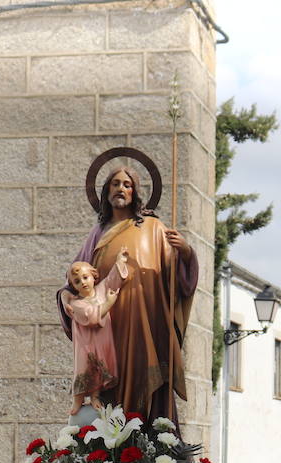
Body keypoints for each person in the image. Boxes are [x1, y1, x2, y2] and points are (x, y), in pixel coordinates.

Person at [62, 166, 199, 423]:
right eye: (115, 184)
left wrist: (186, 253)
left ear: (135, 191)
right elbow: (74, 277)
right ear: (106, 191)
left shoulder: (153, 227)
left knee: (144, 376)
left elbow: (175, 279)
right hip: (109, 326)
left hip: (144, 322)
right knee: (110, 379)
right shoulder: (99, 232)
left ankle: (151, 445)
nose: (120, 189)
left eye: (126, 184)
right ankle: (109, 448)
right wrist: (67, 297)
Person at [59, 247, 129, 415]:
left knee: (99, 369)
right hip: (85, 344)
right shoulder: (76, 304)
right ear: (73, 286)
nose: (83, 282)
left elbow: (113, 279)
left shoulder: (101, 290)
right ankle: (78, 400)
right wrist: (109, 304)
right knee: (83, 369)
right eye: (77, 281)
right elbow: (91, 317)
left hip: (102, 341)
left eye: (85, 277)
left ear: (93, 276)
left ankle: (95, 396)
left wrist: (120, 261)